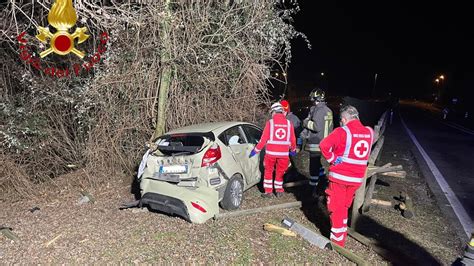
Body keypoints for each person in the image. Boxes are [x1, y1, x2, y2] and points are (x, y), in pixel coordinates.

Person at [319, 105, 374, 247]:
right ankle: (342, 231)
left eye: (341, 120)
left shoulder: (341, 132)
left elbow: (324, 145)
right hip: (356, 179)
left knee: (336, 208)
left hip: (340, 177)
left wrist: (332, 159)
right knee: (344, 206)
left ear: (344, 119)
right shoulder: (369, 132)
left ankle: (337, 242)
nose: (340, 123)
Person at [250, 102, 297, 198]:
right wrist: (293, 150)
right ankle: (279, 190)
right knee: (280, 172)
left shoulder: (270, 123)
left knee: (268, 171)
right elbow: (292, 139)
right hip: (284, 154)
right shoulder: (289, 123)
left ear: (274, 112)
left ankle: (268, 192)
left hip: (271, 154)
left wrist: (256, 150)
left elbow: (263, 139)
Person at [301, 88, 333, 195]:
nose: (312, 101)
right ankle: (323, 180)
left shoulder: (319, 110)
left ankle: (313, 188)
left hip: (316, 143)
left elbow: (316, 126)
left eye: (313, 99)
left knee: (313, 166)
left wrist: (305, 123)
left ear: (317, 99)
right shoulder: (328, 110)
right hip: (325, 142)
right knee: (318, 164)